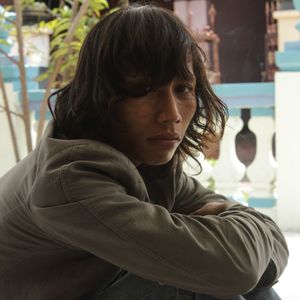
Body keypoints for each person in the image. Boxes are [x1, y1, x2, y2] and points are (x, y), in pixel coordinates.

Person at [0, 4, 288, 300]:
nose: (171, 114)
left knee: (247, 285)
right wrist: (218, 236)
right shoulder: (69, 182)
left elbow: (268, 245)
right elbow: (235, 268)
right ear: (101, 96)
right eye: (144, 89)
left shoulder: (145, 161)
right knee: (199, 284)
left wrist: (231, 244)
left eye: (183, 89)